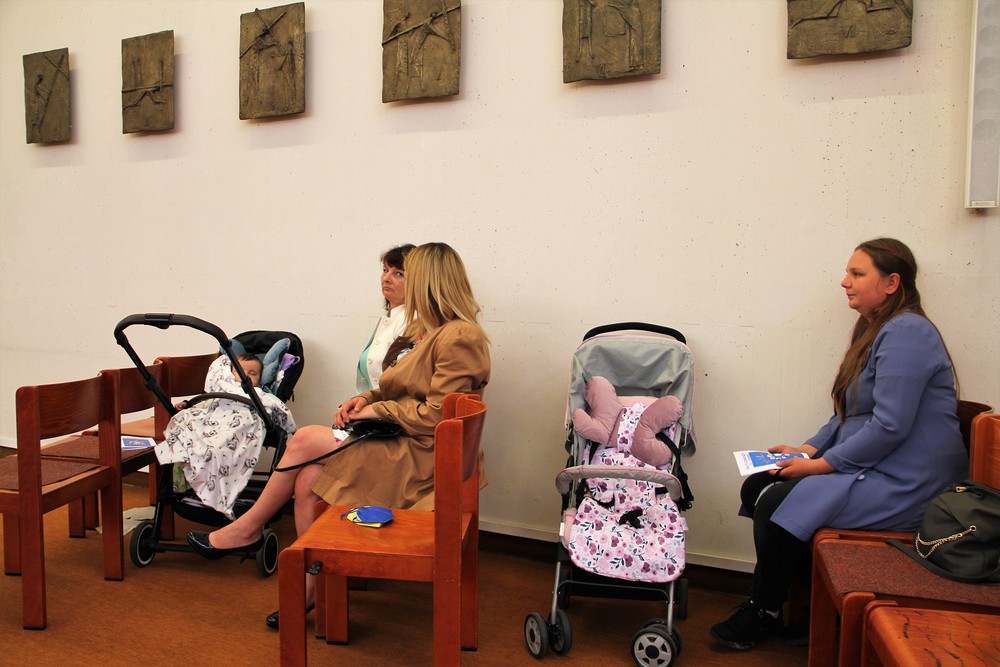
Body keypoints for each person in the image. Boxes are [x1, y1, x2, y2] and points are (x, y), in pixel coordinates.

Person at [186, 242, 491, 629]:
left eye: (406, 275)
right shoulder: (429, 331)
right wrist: (364, 399)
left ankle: (248, 528)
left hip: (424, 456)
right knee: (308, 481)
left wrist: (376, 411)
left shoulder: (460, 336)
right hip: (405, 442)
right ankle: (315, 587)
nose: (396, 281)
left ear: (429, 282)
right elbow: (400, 389)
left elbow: (436, 415)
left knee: (305, 440)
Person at [710, 238, 968, 650]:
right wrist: (808, 450)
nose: (844, 282)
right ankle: (814, 611)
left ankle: (764, 611)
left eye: (857, 273)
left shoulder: (908, 333)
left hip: (910, 482)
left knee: (776, 504)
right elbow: (849, 413)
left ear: (891, 283)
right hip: (878, 466)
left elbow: (889, 427)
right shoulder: (874, 329)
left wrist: (817, 468)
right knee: (758, 484)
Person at [356, 244, 414, 393]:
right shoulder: (391, 317)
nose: (386, 278)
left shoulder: (414, 321)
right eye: (385, 270)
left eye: (399, 274)